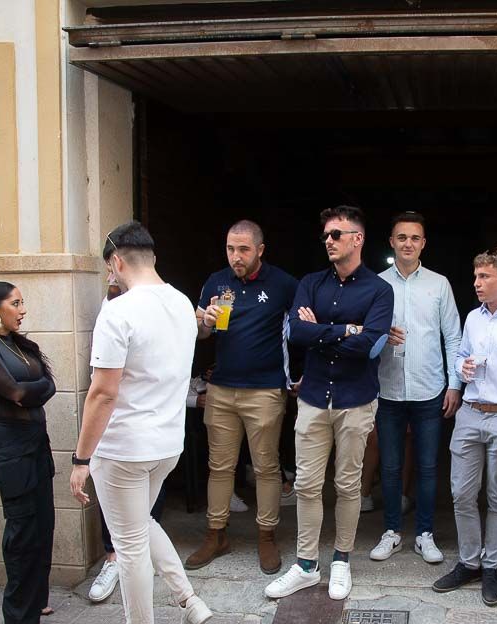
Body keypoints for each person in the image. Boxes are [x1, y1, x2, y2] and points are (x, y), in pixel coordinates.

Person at [70, 221, 213, 624]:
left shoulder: (119, 311)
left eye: (107, 268)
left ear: (116, 262)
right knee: (141, 525)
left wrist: (80, 459)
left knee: (128, 541)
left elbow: (102, 393)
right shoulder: (180, 303)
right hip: (167, 444)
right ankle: (188, 600)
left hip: (124, 448)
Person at [264, 205, 393, 602]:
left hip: (356, 399)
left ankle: (341, 559)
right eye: (325, 236)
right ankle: (305, 565)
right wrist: (344, 329)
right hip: (314, 396)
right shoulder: (310, 282)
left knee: (348, 483)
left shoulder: (379, 290)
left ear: (358, 238)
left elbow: (368, 345)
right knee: (305, 483)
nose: (328, 241)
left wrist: (324, 329)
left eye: (336, 234)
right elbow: (297, 334)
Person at [190, 220, 298, 574]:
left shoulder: (282, 284)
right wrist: (202, 321)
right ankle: (216, 533)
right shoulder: (217, 281)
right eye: (231, 249)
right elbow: (204, 333)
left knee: (266, 467)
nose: (236, 257)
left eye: (244, 250)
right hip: (221, 388)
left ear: (260, 250)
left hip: (265, 390)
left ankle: (266, 537)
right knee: (219, 466)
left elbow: (302, 329)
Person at [432, 248, 497, 606]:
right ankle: (469, 562)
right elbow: (459, 356)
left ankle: (491, 566)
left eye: (484, 277)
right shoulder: (473, 317)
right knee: (461, 492)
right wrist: (462, 370)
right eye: (475, 277)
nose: (476, 283)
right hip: (470, 412)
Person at [368, 211, 462, 564]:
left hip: (429, 389)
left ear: (423, 243)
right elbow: (363, 336)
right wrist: (379, 335)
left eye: (415, 238)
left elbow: (453, 337)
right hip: (387, 389)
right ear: (392, 242)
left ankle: (425, 534)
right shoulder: (376, 284)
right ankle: (391, 532)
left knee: (427, 466)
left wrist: (455, 386)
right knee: (390, 467)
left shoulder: (439, 284)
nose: (408, 243)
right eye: (401, 237)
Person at [0, 282, 57, 624]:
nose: (22, 310)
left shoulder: (18, 343)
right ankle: (19, 614)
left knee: (44, 520)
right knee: (22, 525)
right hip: (8, 444)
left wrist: (31, 394)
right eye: (15, 303)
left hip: (36, 439)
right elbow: (15, 391)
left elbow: (48, 385)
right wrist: (31, 393)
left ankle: (37, 597)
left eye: (22, 303)